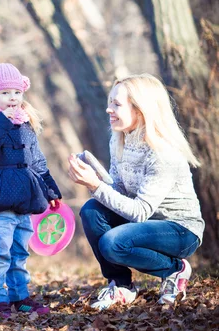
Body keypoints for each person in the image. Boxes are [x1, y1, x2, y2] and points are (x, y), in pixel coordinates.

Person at [68, 73, 204, 311]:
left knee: (113, 243)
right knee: (91, 210)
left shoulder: (163, 153)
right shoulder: (119, 139)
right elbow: (119, 190)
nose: (108, 109)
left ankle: (175, 270)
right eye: (110, 102)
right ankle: (121, 285)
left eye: (117, 104)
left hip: (179, 229)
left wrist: (95, 186)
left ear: (141, 111)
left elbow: (140, 211)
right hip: (144, 223)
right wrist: (96, 178)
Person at [0, 63, 62, 318]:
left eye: (16, 92)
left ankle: (20, 297)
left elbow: (37, 161)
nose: (12, 98)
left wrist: (50, 191)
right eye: (5, 93)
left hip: (23, 201)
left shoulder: (25, 125)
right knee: (0, 252)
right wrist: (1, 121)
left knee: (19, 252)